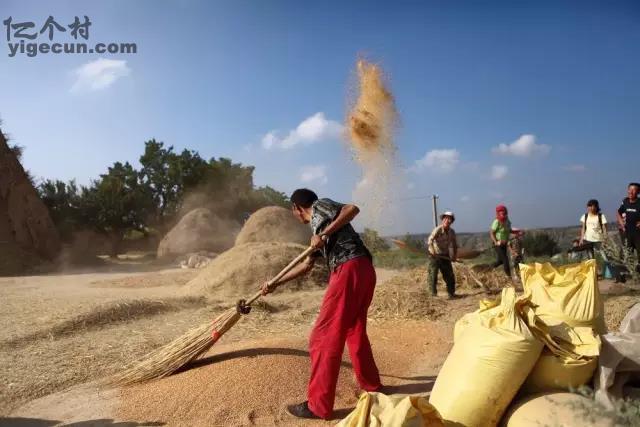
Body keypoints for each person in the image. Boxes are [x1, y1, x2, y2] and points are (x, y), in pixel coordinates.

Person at [260, 189, 382, 420]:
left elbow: (352, 209)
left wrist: (324, 234)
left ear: (297, 208)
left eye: (292, 210)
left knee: (322, 336)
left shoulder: (320, 207)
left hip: (348, 269)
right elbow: (306, 266)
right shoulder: (318, 229)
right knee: (354, 331)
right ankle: (372, 386)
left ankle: (318, 405)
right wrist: (274, 283)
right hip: (363, 269)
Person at [426, 211, 459, 299]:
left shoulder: (452, 232)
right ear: (443, 220)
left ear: (451, 221)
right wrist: (432, 250)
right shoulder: (438, 229)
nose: (447, 220)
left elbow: (455, 245)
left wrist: (454, 256)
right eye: (446, 218)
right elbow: (430, 241)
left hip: (445, 255)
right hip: (434, 256)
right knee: (433, 275)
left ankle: (451, 293)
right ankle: (433, 294)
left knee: (449, 275)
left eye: (449, 219)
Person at [490, 205, 519, 278]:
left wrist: (517, 232)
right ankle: (510, 277)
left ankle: (488, 268)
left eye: (504, 212)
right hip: (498, 244)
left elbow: (509, 230)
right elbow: (491, 233)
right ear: (498, 213)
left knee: (500, 261)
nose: (503, 214)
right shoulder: (496, 221)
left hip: (505, 243)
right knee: (505, 260)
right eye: (501, 213)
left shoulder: (507, 221)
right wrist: (496, 242)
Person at [617, 183, 640, 273]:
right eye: (629, 189)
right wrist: (621, 222)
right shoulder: (625, 201)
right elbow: (618, 212)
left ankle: (637, 275)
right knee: (625, 253)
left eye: (633, 190)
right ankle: (624, 275)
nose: (630, 191)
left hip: (638, 233)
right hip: (627, 232)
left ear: (638, 192)